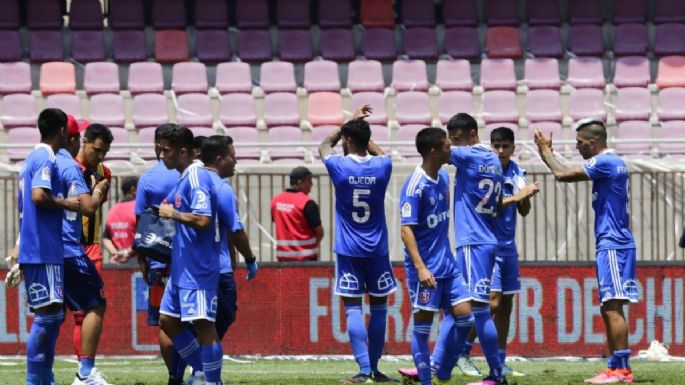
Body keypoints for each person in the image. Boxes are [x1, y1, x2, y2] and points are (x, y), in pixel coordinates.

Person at [430, 113, 538, 385]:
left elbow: (437, 152)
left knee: (473, 309)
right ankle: (442, 368)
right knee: (475, 307)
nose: (452, 146)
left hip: (473, 241)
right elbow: (498, 200)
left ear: (471, 134)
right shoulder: (493, 160)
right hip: (490, 240)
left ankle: (483, 371)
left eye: (456, 139)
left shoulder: (470, 156)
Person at [534, 118, 637, 384]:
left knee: (613, 306)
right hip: (610, 242)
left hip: (614, 243)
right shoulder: (609, 163)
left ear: (593, 143)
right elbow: (566, 167)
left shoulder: (606, 161)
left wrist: (545, 152)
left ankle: (623, 371)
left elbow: (562, 174)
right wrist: (551, 154)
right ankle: (615, 366)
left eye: (580, 143)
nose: (577, 147)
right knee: (608, 306)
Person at [319, 104, 398, 383]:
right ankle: (376, 369)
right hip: (377, 249)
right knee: (379, 309)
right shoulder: (383, 166)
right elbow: (380, 153)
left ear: (348, 140)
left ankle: (363, 370)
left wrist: (349, 122)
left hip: (349, 250)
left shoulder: (338, 166)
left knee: (353, 308)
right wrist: (359, 132)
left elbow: (324, 144)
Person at [456, 127, 539, 377]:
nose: (501, 151)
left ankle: (500, 360)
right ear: (491, 147)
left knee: (505, 305)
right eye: (497, 146)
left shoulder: (516, 171)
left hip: (508, 246)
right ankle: (463, 351)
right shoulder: (485, 168)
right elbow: (489, 207)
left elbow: (524, 211)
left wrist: (525, 197)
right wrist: (516, 197)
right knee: (489, 302)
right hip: (485, 244)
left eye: (505, 146)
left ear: (513, 148)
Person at [399, 127, 475, 385]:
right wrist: (421, 268)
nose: (450, 149)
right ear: (433, 151)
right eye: (446, 146)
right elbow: (406, 230)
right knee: (422, 329)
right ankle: (426, 381)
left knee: (466, 318)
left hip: (448, 266)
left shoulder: (442, 177)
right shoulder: (414, 186)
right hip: (426, 270)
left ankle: (442, 371)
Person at [16, 108, 79, 385]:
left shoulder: (31, 158)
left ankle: (45, 378)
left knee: (53, 314)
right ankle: (35, 380)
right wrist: (67, 203)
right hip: (43, 249)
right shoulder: (45, 157)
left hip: (38, 247)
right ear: (62, 131)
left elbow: (24, 206)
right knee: (47, 315)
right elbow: (39, 196)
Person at [157, 125, 223, 385]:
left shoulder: (196, 177)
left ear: (183, 151)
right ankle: (201, 370)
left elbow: (203, 219)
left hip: (197, 268)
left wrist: (172, 214)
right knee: (167, 320)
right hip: (181, 267)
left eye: (166, 150)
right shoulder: (184, 177)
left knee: (204, 325)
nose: (161, 155)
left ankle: (213, 381)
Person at [57, 116, 113, 384]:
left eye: (104, 152)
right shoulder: (67, 168)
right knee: (67, 312)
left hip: (91, 247)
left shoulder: (105, 173)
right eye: (97, 149)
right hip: (69, 246)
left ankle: (85, 370)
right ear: (84, 141)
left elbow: (94, 214)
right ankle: (83, 372)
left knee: (87, 311)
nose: (100, 156)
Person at [134, 124, 180, 384]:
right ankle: (197, 370)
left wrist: (142, 258)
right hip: (188, 256)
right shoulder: (188, 175)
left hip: (158, 257)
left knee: (167, 321)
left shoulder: (149, 178)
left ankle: (174, 374)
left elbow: (140, 221)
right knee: (193, 320)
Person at [201, 135, 258, 340]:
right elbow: (235, 229)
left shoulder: (189, 181)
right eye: (233, 156)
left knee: (195, 321)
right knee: (221, 317)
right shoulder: (221, 187)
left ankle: (189, 370)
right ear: (220, 159)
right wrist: (249, 259)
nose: (236, 161)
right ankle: (201, 367)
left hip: (193, 265)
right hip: (217, 267)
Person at [271, 166, 324, 261]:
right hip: (307, 258)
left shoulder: (276, 201)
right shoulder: (307, 203)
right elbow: (319, 233)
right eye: (309, 181)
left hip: (283, 258)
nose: (311, 184)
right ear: (300, 183)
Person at [103, 176, 139, 265]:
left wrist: (115, 253)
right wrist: (127, 252)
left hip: (117, 262)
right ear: (133, 189)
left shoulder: (113, 209)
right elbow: (143, 238)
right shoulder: (138, 208)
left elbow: (105, 238)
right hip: (137, 262)